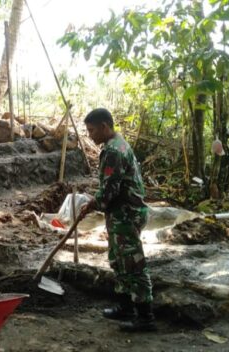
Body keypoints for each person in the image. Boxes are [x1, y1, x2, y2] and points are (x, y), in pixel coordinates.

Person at [79, 108, 156, 332]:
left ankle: (146, 317)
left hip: (126, 213)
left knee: (133, 264)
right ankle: (125, 307)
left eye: (92, 130)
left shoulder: (113, 150)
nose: (90, 135)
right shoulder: (118, 143)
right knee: (119, 259)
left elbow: (109, 190)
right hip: (121, 213)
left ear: (105, 126)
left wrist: (93, 203)